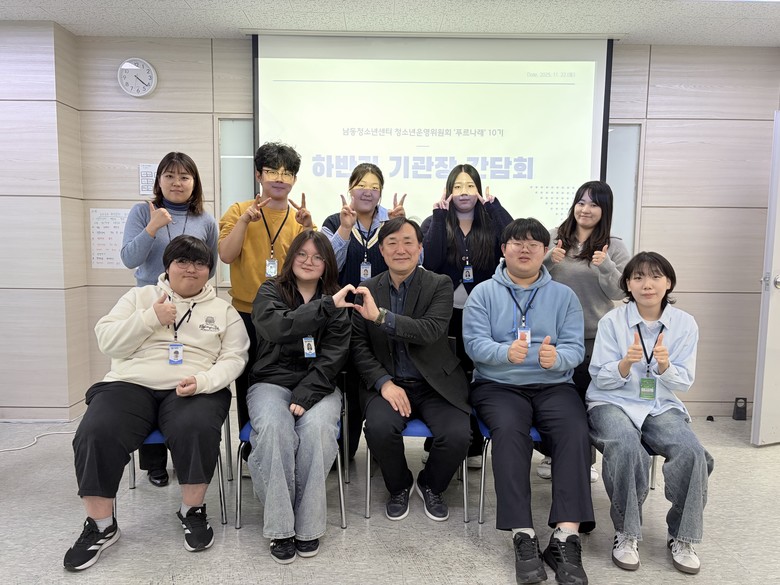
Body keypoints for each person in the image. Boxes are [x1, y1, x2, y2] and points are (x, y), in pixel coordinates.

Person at [64, 236, 249, 572]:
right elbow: (107, 340)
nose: (191, 269)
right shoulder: (139, 297)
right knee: (96, 431)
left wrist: (204, 381)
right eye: (182, 261)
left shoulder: (223, 310)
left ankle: (192, 510)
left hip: (193, 386)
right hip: (130, 383)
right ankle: (101, 525)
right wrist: (150, 318)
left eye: (200, 263)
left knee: (196, 426)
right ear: (167, 266)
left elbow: (235, 357)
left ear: (209, 270)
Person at [463, 218, 593, 585]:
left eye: (534, 244)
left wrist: (558, 358)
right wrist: (505, 353)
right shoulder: (483, 293)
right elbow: (473, 345)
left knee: (575, 431)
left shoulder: (564, 296)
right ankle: (523, 533)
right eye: (517, 242)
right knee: (508, 432)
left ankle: (565, 537)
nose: (525, 249)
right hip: (497, 385)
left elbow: (574, 348)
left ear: (545, 251)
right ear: (504, 249)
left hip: (553, 385)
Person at [587, 251, 714, 575]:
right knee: (627, 446)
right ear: (628, 284)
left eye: (656, 276)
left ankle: (682, 537)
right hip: (611, 401)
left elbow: (684, 381)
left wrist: (664, 366)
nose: (647, 284)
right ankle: (626, 533)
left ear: (668, 282)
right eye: (638, 277)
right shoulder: (612, 322)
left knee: (692, 452)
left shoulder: (684, 324)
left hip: (659, 403)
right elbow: (599, 377)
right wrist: (625, 364)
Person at [351, 217, 471, 522]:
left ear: (420, 248)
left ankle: (431, 484)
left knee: (458, 435)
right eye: (392, 243)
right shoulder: (367, 289)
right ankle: (399, 485)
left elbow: (429, 331)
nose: (400, 249)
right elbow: (359, 346)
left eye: (408, 242)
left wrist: (382, 318)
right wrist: (383, 383)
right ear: (381, 250)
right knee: (378, 428)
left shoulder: (439, 284)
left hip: (435, 384)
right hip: (390, 382)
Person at [246, 231, 353, 564]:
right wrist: (325, 307)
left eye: (318, 257)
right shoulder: (270, 290)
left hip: (319, 385)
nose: (309, 261)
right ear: (291, 257)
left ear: (327, 263)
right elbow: (277, 328)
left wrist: (307, 394)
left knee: (318, 430)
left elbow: (334, 356)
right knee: (275, 429)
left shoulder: (337, 299)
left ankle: (308, 527)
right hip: (270, 381)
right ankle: (281, 527)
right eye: (302, 254)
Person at [120, 151, 219, 488]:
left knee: (180, 376)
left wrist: (189, 286)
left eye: (184, 177)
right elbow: (128, 258)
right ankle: (154, 462)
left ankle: (184, 452)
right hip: (150, 305)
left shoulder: (205, 219)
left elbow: (210, 266)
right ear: (159, 180)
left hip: (189, 308)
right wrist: (152, 227)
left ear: (195, 182)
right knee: (150, 379)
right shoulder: (142, 212)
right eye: (170, 176)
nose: (177, 183)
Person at [421, 163, 513, 468]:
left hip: (483, 312)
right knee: (447, 374)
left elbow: (515, 241)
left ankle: (473, 442)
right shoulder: (435, 221)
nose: (464, 192)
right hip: (443, 312)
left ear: (479, 190)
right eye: (457, 186)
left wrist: (495, 207)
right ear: (448, 191)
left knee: (477, 373)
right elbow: (431, 261)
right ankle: (439, 438)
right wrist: (438, 216)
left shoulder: (491, 223)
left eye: (470, 186)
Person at [539, 180, 631, 483]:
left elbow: (620, 292)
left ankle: (584, 459)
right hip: (553, 334)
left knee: (584, 398)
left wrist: (606, 266)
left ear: (605, 209)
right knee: (551, 397)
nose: (585, 209)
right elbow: (530, 276)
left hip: (593, 336)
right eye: (581, 202)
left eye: (593, 204)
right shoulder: (555, 237)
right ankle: (550, 453)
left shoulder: (614, 246)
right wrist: (548, 261)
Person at [219, 142, 313, 432]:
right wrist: (244, 222)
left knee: (284, 380)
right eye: (272, 171)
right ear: (258, 174)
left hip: (286, 316)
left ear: (294, 179)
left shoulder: (300, 219)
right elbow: (226, 255)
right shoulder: (239, 210)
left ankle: (284, 437)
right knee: (246, 377)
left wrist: (308, 228)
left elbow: (313, 269)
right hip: (245, 315)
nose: (279, 178)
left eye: (287, 173)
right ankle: (250, 444)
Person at [321, 163, 406, 461]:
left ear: (381, 192)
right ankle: (343, 450)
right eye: (361, 185)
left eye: (374, 187)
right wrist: (345, 229)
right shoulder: (334, 221)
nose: (367, 192)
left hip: (380, 313)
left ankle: (381, 447)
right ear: (350, 189)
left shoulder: (392, 221)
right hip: (342, 315)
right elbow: (327, 266)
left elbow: (411, 263)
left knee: (375, 376)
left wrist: (399, 228)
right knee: (344, 381)